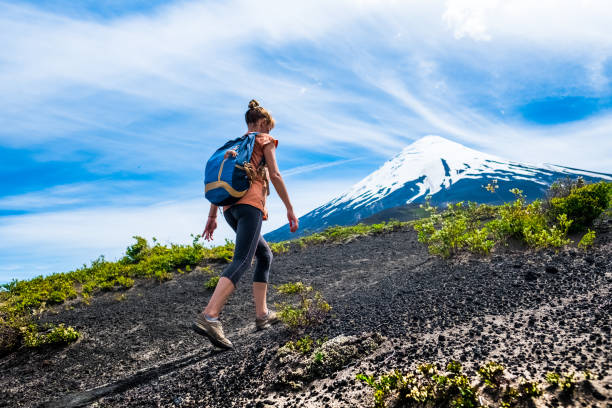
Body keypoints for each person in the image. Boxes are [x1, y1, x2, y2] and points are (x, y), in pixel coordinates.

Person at [192, 99, 299, 349]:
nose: (270, 133)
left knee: (264, 255)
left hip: (229, 208)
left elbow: (224, 177)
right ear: (262, 123)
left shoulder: (235, 145)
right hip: (250, 206)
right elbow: (275, 174)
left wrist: (213, 215)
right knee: (242, 260)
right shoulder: (263, 140)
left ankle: (262, 315)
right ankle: (210, 315)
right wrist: (290, 209)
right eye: (268, 128)